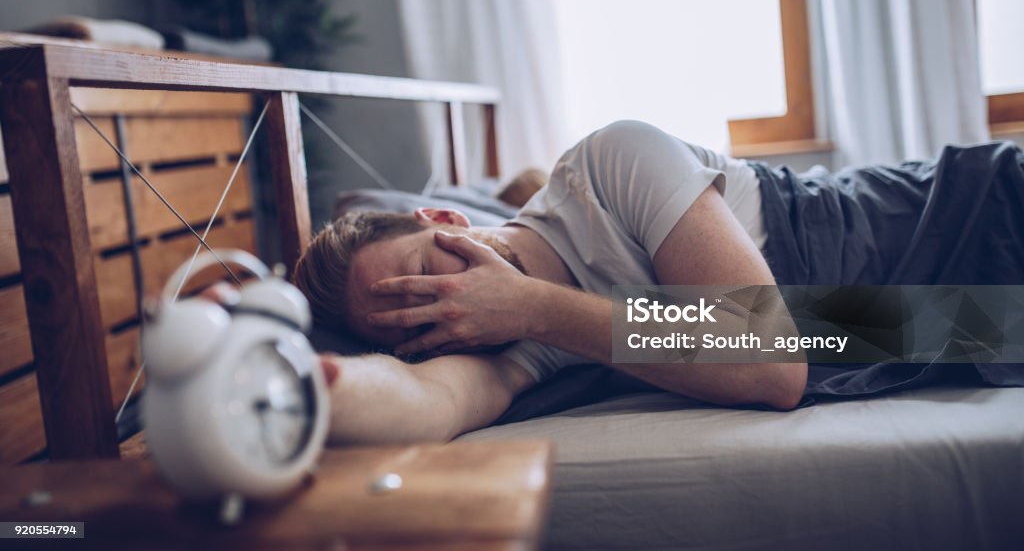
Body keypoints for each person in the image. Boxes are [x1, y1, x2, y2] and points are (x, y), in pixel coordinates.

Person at [290, 120, 1024, 445]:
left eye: (425, 272)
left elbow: (767, 359)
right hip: (929, 316)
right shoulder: (501, 337)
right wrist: (306, 386)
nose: (443, 304)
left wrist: (538, 307)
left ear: (446, 216)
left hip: (963, 212)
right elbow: (424, 403)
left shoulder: (609, 166)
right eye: (413, 323)